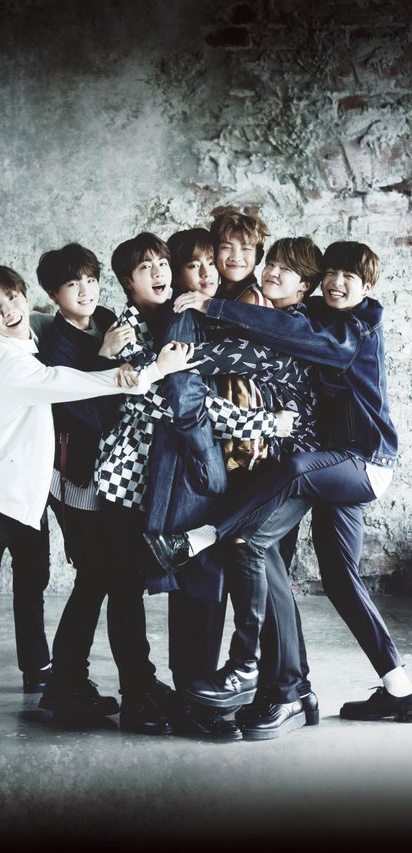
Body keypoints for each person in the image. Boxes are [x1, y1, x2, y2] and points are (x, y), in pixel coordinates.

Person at [144, 240, 412, 728]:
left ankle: (207, 546)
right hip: (335, 466)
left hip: (362, 462)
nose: (337, 283)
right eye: (331, 273)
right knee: (339, 578)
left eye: (350, 277)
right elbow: (276, 323)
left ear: (368, 286)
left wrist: (209, 307)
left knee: (278, 497)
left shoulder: (356, 327)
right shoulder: (316, 312)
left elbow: (286, 336)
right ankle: (400, 688)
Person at [0, 263, 196, 752]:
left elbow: (48, 320)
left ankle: (40, 669)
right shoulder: (12, 365)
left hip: (33, 495)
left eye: (13, 297)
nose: (9, 310)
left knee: (33, 580)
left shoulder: (28, 327)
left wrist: (75, 318)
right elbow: (67, 382)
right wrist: (154, 371)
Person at [95, 231, 294, 739]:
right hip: (129, 481)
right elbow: (182, 403)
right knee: (127, 588)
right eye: (147, 268)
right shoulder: (130, 330)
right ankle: (138, 693)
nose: (159, 273)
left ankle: (193, 694)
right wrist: (266, 424)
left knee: (197, 580)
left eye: (162, 263)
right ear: (127, 282)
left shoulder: (180, 318)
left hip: (178, 477)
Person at [156, 232, 323, 739]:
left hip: (278, 464)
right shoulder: (214, 308)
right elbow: (193, 386)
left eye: (246, 252)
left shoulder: (275, 316)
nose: (226, 263)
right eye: (208, 258)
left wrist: (157, 359)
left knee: (260, 564)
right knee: (234, 575)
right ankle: (269, 688)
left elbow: (225, 362)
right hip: (232, 466)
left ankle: (279, 685)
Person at [33, 242, 184, 735]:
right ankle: (72, 684)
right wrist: (101, 358)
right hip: (77, 477)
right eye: (72, 284)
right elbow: (86, 415)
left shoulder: (105, 319)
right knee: (100, 577)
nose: (85, 290)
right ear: (54, 294)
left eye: (90, 280)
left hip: (107, 475)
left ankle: (77, 683)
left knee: (108, 579)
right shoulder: (58, 343)